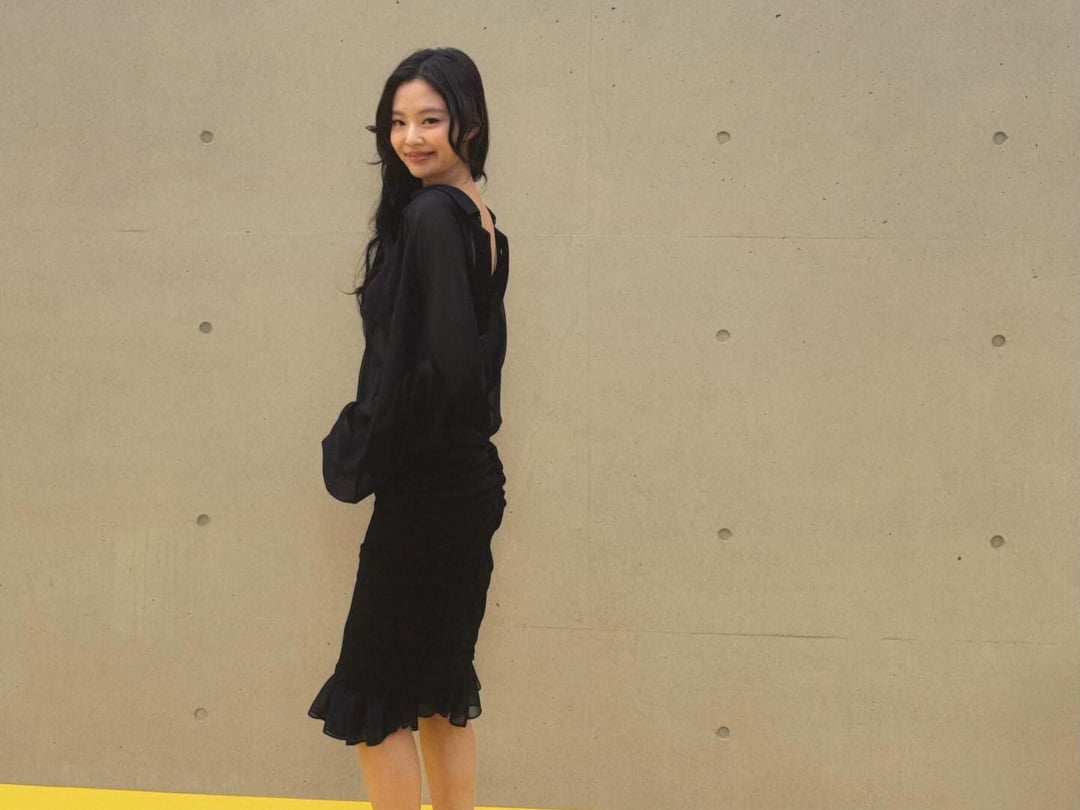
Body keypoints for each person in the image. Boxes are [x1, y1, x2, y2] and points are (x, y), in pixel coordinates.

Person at [308, 47, 509, 810]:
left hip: (429, 487)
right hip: (467, 479)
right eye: (397, 122)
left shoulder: (428, 216)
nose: (410, 138)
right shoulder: (479, 218)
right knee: (438, 686)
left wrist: (367, 437)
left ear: (470, 123)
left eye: (430, 119)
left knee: (374, 692)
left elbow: (448, 369)